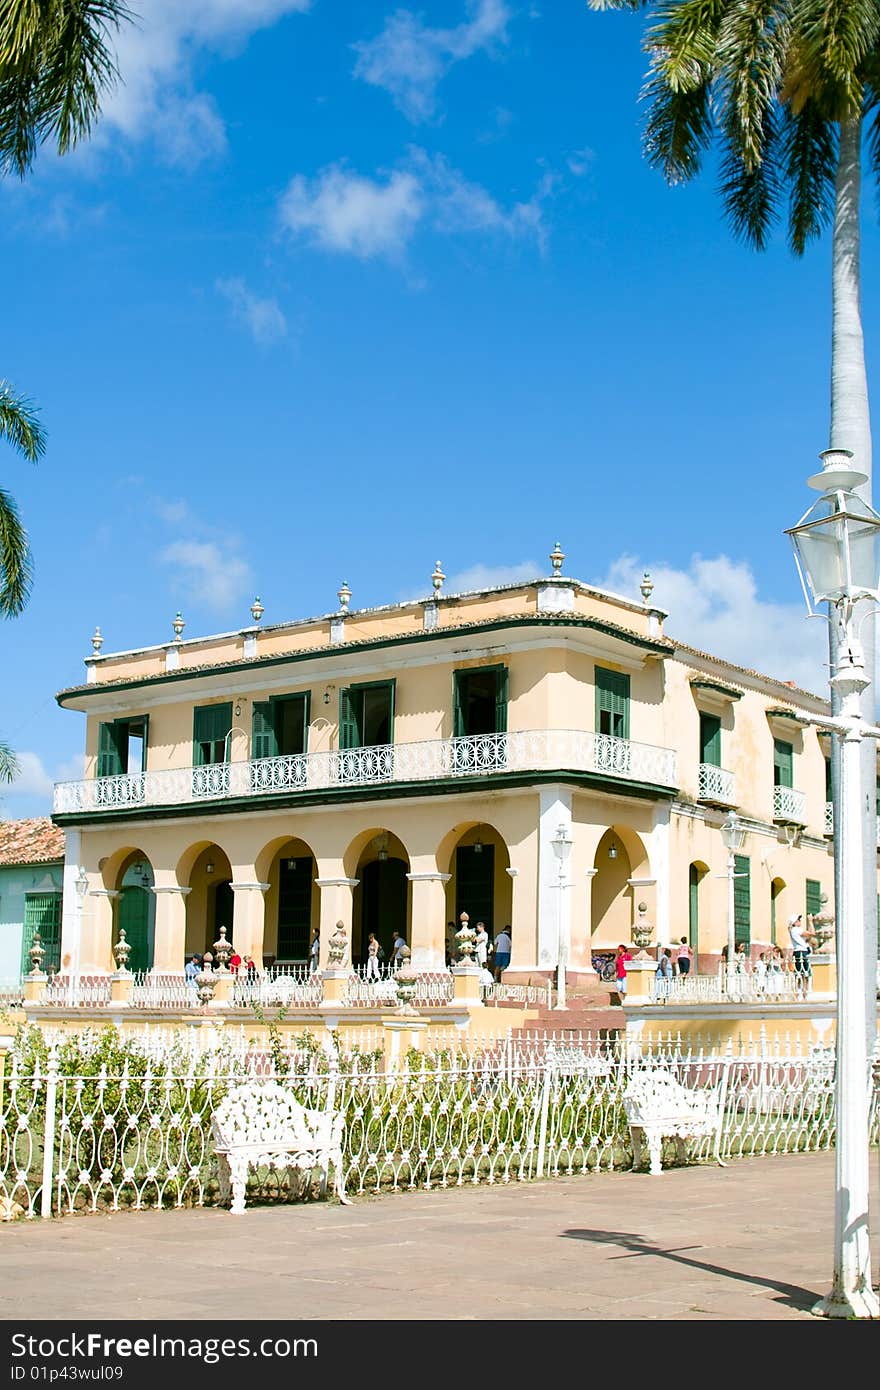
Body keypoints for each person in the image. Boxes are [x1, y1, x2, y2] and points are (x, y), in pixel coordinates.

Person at [788, 914, 812, 997]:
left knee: (801, 973)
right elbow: (812, 933)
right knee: (803, 973)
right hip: (801, 951)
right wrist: (811, 921)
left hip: (801, 951)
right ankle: (801, 992)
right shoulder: (796, 930)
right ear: (794, 922)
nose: (800, 921)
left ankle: (801, 992)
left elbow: (808, 936)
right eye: (798, 920)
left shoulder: (795, 931)